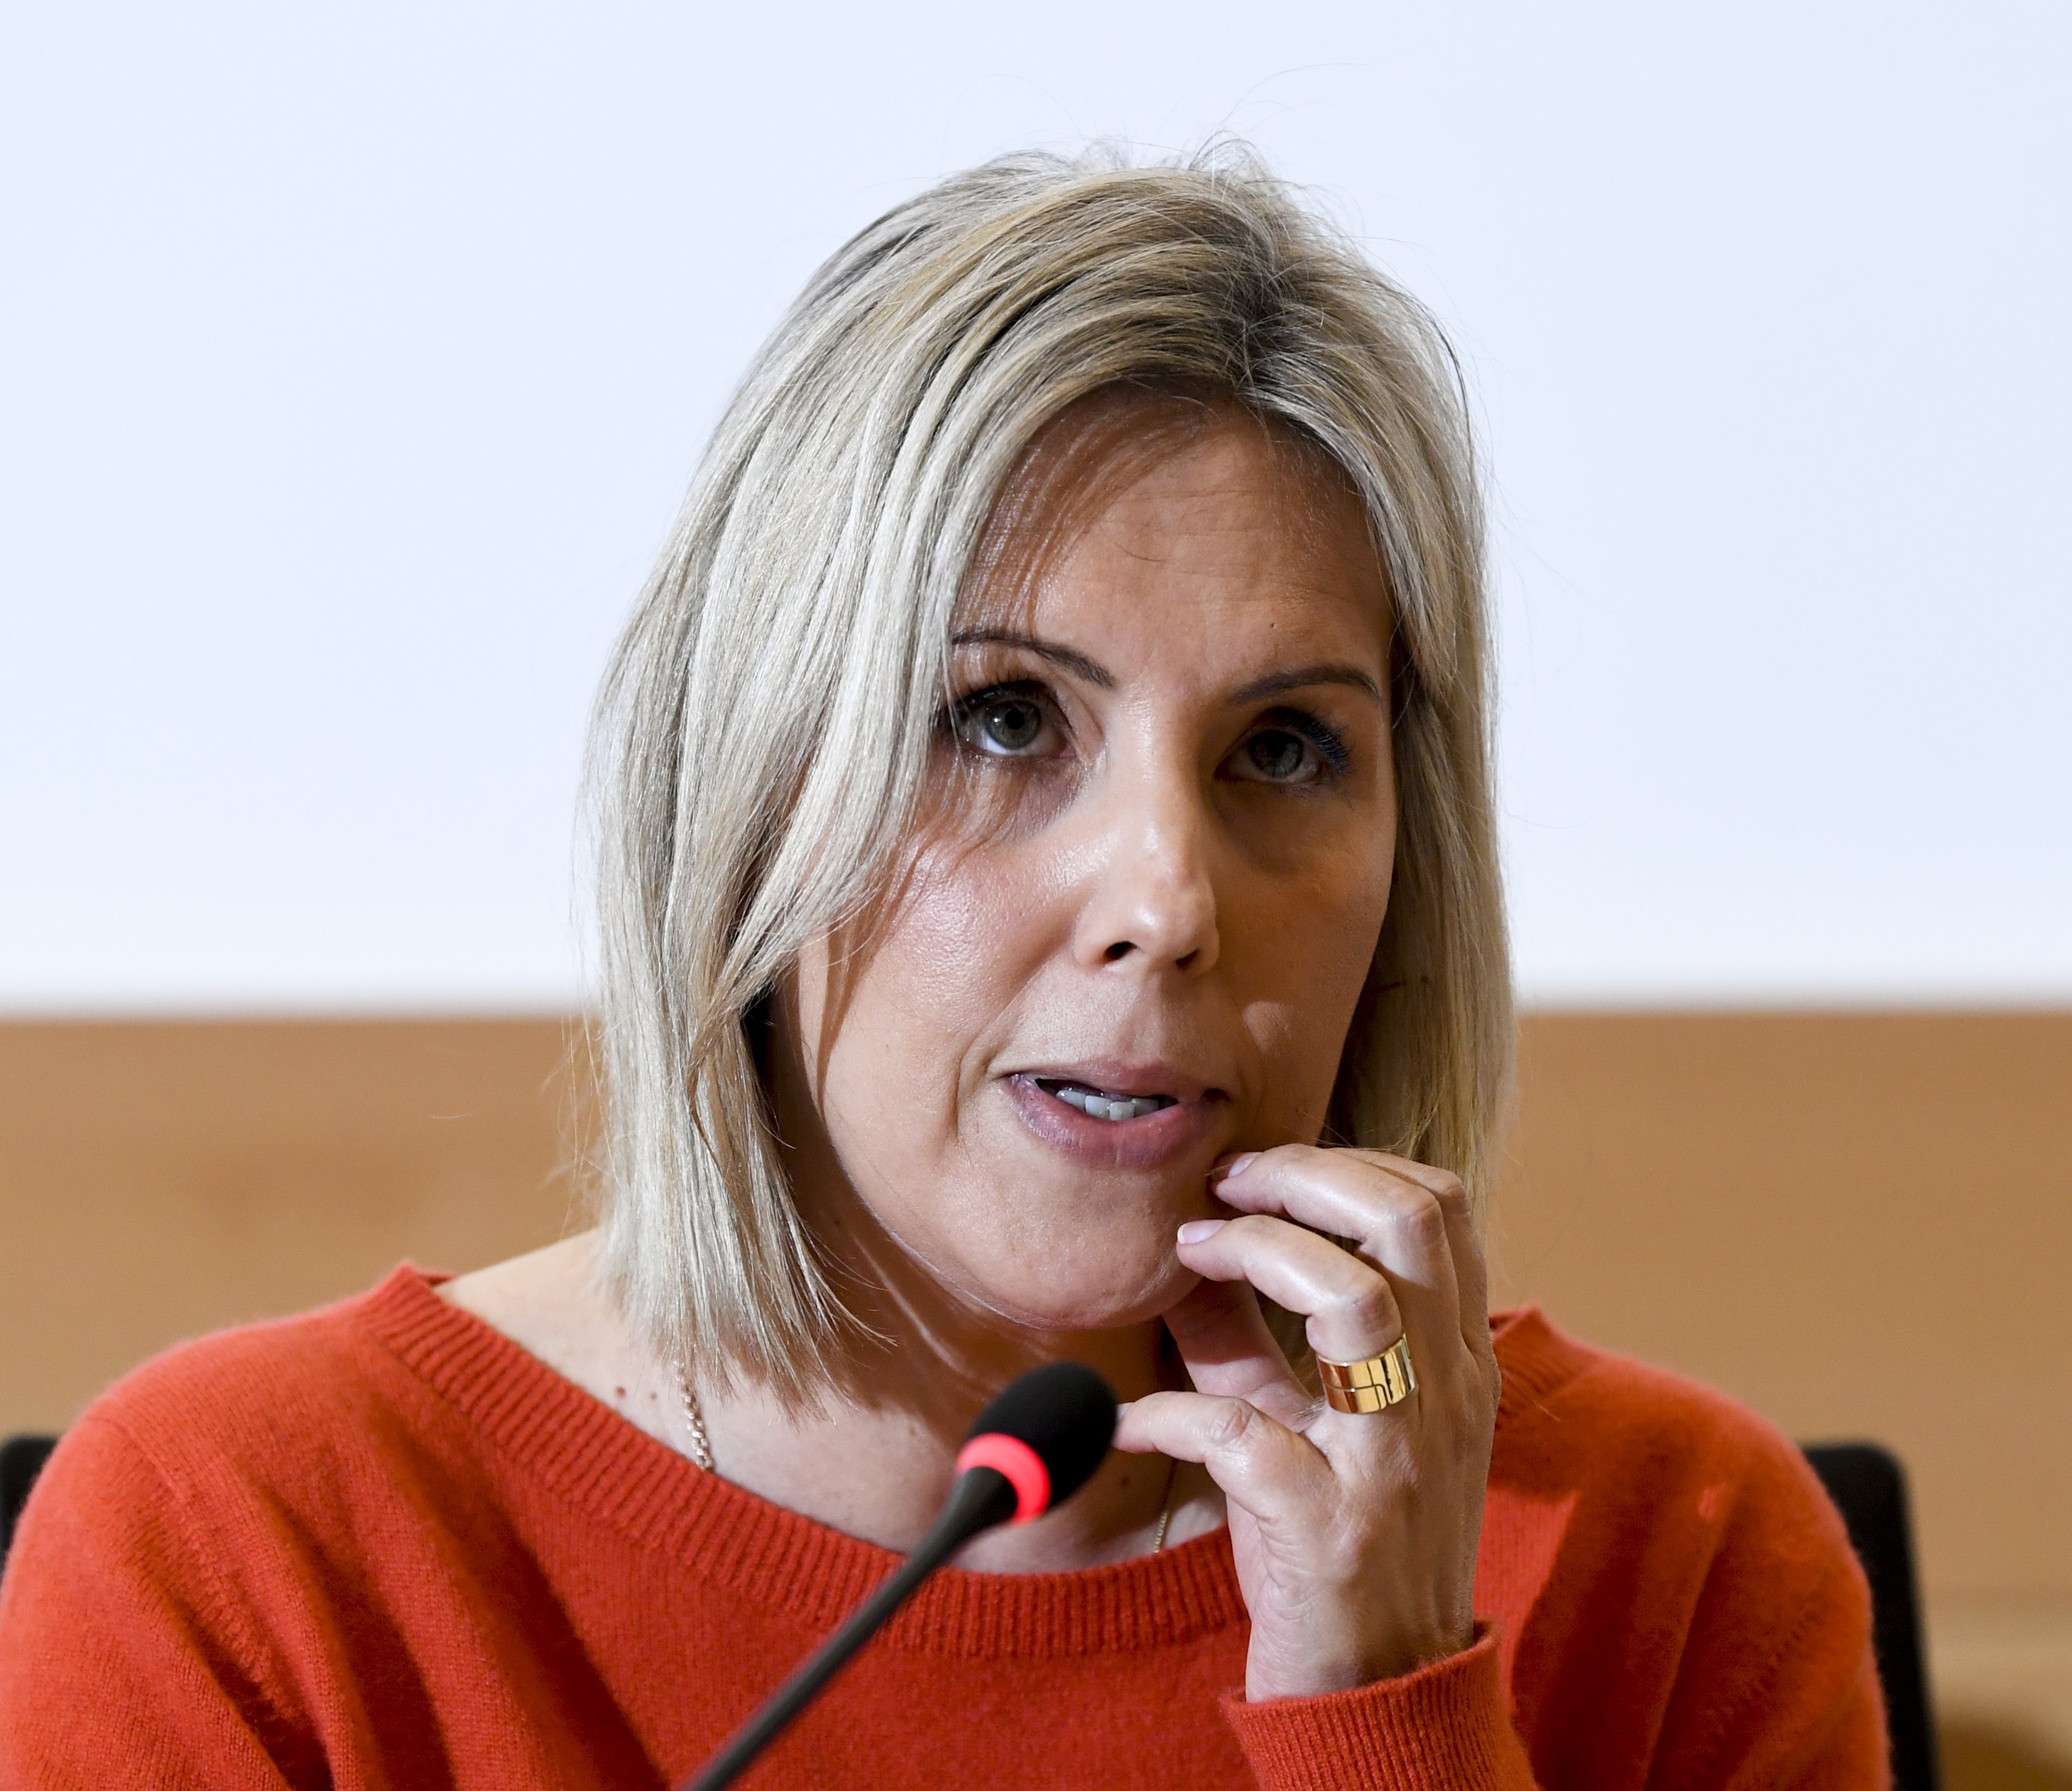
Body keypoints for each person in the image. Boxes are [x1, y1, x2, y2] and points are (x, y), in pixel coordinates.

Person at [0, 149, 1884, 1789]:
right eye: (1000, 718)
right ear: (748, 799)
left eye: (1284, 747)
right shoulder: (255, 1542)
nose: (1168, 897)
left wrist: (1388, 1711)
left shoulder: (1671, 1556)